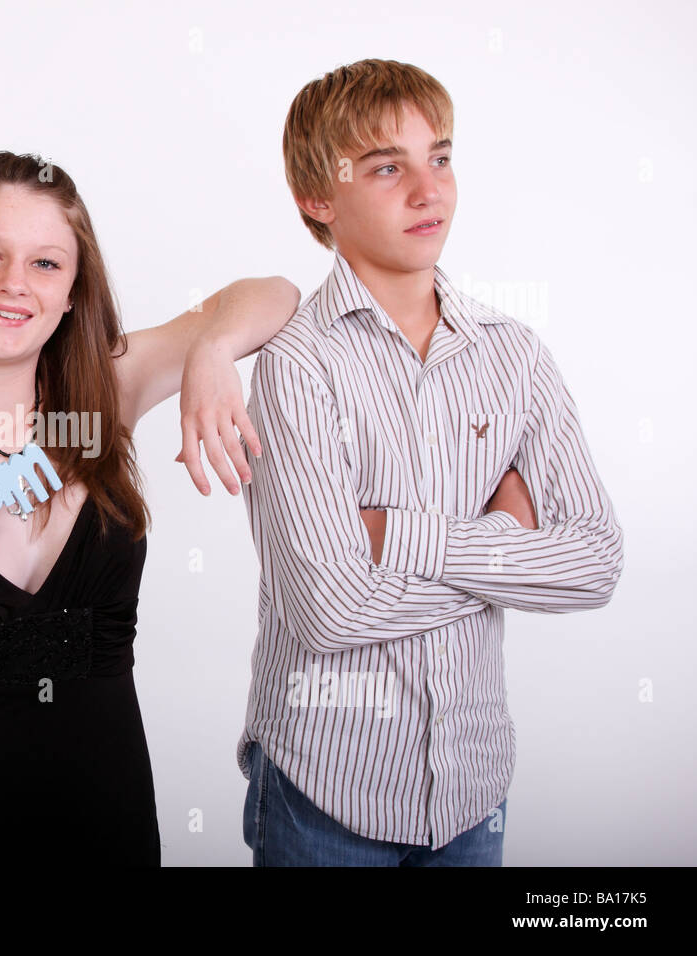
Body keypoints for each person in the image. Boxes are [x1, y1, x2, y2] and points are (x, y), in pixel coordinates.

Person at [0, 150, 298, 865]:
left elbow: (278, 293)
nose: (13, 283)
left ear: (72, 292)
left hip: (106, 823)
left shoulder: (108, 395)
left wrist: (213, 350)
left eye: (45, 264)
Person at [238, 59, 625, 866]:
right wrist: (504, 543)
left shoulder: (514, 355)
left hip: (472, 790)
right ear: (319, 198)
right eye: (389, 167)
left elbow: (594, 564)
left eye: (440, 158)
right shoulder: (296, 361)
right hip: (324, 793)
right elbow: (328, 611)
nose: (430, 190)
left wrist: (404, 536)